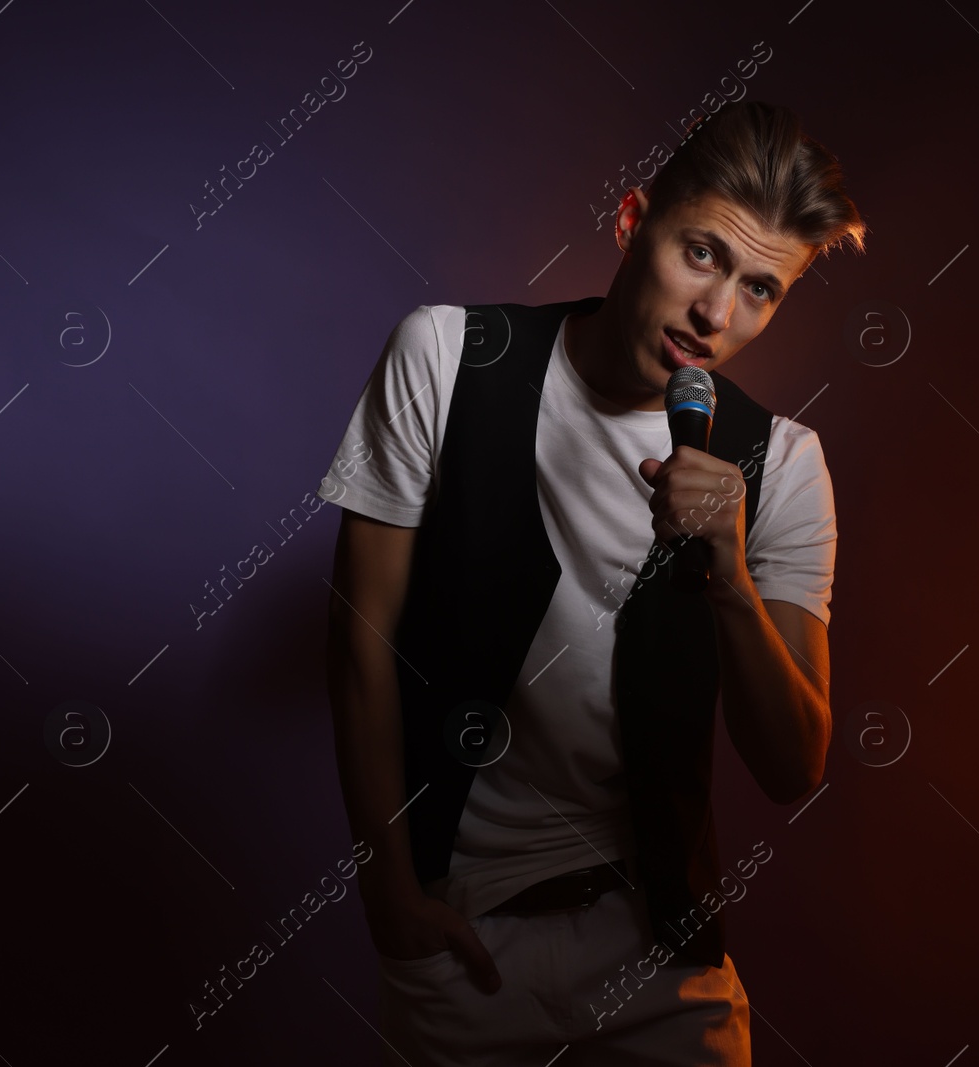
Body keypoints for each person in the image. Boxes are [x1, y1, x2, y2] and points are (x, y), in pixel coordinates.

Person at [319, 100, 866, 1066]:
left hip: (659, 952)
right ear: (630, 222)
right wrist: (389, 896)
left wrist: (730, 578)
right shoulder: (447, 358)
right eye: (701, 253)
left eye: (760, 289)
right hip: (466, 944)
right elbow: (361, 643)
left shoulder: (783, 466)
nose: (716, 314)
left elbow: (795, 768)